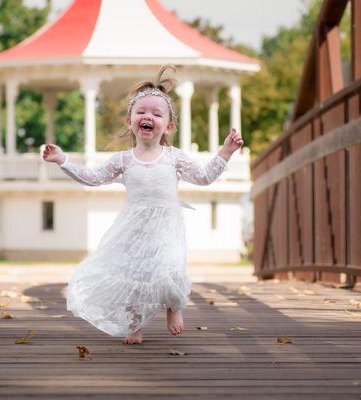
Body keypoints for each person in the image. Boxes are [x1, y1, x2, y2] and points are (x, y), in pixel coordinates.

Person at [41, 65, 243, 345]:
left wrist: (226, 152)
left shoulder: (173, 157)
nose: (148, 116)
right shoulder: (124, 160)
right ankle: (134, 325)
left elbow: (204, 177)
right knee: (132, 276)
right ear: (130, 121)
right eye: (141, 112)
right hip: (134, 228)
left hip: (167, 228)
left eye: (156, 114)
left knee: (170, 268)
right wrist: (63, 160)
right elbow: (92, 178)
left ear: (168, 126)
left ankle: (174, 307)